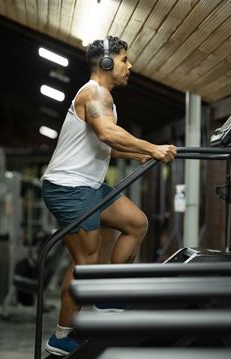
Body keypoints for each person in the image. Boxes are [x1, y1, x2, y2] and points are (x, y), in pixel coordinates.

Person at [41, 35, 177, 356]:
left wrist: (137, 155)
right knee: (86, 262)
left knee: (135, 223)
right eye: (124, 59)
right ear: (106, 63)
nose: (129, 66)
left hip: (88, 184)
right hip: (68, 187)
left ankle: (106, 297)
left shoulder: (105, 99)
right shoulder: (94, 93)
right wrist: (152, 147)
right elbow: (107, 133)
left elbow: (106, 144)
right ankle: (62, 335)